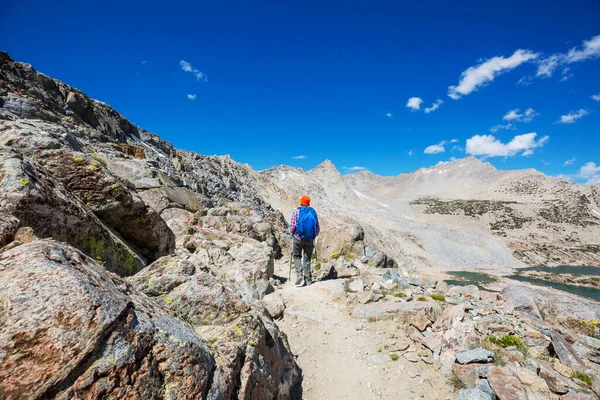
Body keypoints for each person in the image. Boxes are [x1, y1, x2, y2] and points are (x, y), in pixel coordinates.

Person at [290, 195, 320, 287]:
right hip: (309, 239)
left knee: (297, 255)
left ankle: (299, 274)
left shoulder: (297, 211)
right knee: (307, 258)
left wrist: (292, 234)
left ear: (301, 202)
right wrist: (313, 236)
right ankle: (308, 279)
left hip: (298, 238)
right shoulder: (313, 211)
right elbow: (317, 227)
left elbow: (293, 226)